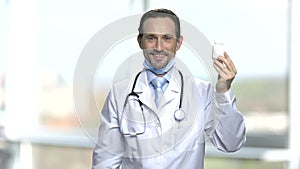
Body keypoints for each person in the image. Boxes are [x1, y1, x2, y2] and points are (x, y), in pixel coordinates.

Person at [92, 8, 246, 169]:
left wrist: (224, 91)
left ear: (178, 43)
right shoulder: (119, 94)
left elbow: (231, 143)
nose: (159, 47)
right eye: (151, 38)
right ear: (140, 41)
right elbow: (105, 161)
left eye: (167, 38)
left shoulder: (201, 92)